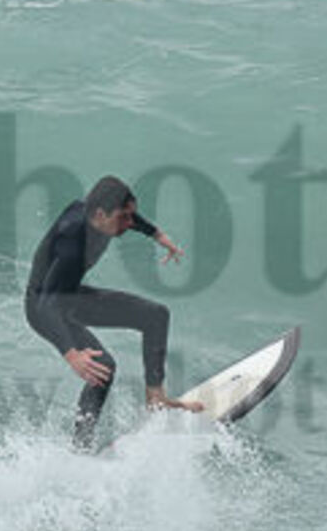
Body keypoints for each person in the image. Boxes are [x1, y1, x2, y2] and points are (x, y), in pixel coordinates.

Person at [25, 175, 202, 449]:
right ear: (100, 215)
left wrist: (158, 236)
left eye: (130, 216)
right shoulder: (73, 241)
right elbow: (46, 304)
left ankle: (156, 397)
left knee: (156, 315)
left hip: (70, 296)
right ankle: (80, 447)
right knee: (103, 368)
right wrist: (71, 354)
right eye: (123, 218)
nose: (129, 223)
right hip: (43, 307)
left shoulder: (99, 212)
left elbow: (131, 216)